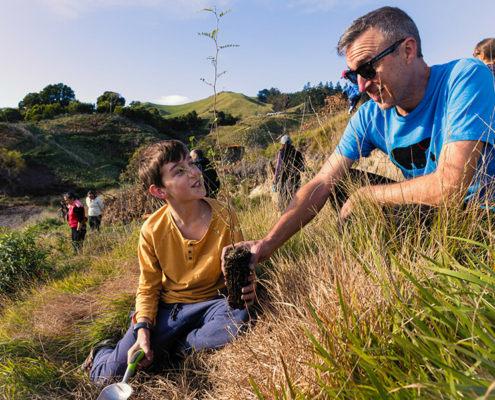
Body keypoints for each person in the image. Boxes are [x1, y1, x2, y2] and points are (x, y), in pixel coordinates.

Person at [223, 6, 495, 272]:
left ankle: (423, 266)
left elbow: (450, 187)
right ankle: (385, 269)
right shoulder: (369, 116)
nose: (362, 87)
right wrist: (268, 243)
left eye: (368, 70)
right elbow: (320, 182)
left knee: (365, 199)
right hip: (428, 211)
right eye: (353, 75)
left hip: (479, 215)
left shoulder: (465, 77)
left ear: (408, 51)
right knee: (341, 184)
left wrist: (367, 196)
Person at [82, 140, 256, 384]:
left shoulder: (225, 214)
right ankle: (102, 351)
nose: (195, 172)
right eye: (180, 170)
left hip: (213, 304)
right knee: (107, 377)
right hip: (169, 310)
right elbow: (148, 287)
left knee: (241, 319)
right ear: (160, 191)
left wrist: (246, 284)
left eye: (192, 163)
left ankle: (176, 348)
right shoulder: (152, 229)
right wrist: (143, 331)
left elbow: (236, 268)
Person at [273, 135, 305, 211]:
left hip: (284, 182)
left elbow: (279, 168)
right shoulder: (298, 153)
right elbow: (303, 169)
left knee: (282, 206)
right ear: (291, 143)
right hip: (296, 182)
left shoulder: (281, 154)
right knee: (296, 204)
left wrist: (275, 181)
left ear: (282, 145)